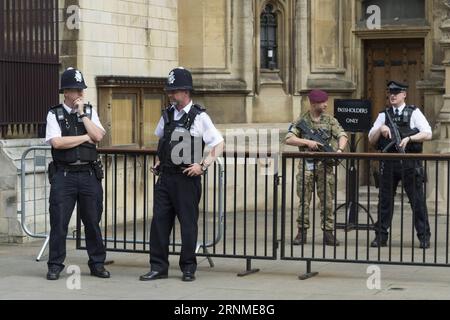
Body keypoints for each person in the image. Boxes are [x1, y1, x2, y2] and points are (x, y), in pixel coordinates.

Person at [139, 67, 224, 282]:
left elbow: (218, 143)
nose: (170, 94)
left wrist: (203, 166)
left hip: (187, 179)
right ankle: (158, 267)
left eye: (174, 90)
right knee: (159, 223)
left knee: (188, 225)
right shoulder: (167, 114)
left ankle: (188, 267)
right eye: (169, 90)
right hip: (166, 178)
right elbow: (162, 141)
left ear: (185, 91)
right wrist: (158, 162)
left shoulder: (199, 116)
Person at [45, 67, 110, 280]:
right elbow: (57, 142)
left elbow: (99, 135)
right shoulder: (54, 113)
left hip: (89, 174)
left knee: (92, 222)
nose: (81, 94)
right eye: (76, 90)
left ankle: (97, 263)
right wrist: (84, 138)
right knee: (59, 222)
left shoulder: (89, 112)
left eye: (81, 89)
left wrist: (82, 115)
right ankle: (55, 265)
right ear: (66, 92)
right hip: (64, 175)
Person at [368, 81, 432, 249]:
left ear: (404, 94)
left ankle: (424, 236)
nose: (393, 95)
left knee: (417, 201)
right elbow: (371, 139)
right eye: (390, 92)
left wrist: (410, 138)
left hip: (410, 162)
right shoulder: (384, 115)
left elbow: (428, 133)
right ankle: (380, 236)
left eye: (397, 92)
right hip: (389, 163)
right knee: (385, 201)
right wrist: (380, 128)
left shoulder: (414, 112)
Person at [285, 89, 348, 246]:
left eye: (326, 101)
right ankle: (302, 232)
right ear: (313, 103)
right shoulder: (302, 121)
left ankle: (328, 233)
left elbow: (343, 135)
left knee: (327, 201)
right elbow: (289, 139)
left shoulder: (330, 120)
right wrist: (308, 142)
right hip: (307, 166)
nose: (326, 105)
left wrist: (339, 150)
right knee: (304, 201)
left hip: (325, 167)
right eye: (322, 102)